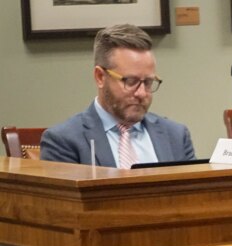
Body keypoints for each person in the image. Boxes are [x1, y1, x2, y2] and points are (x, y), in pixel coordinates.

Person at [40, 24, 194, 168]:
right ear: (100, 77)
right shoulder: (64, 141)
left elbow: (195, 195)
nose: (141, 93)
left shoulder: (176, 136)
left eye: (148, 82)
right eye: (130, 81)